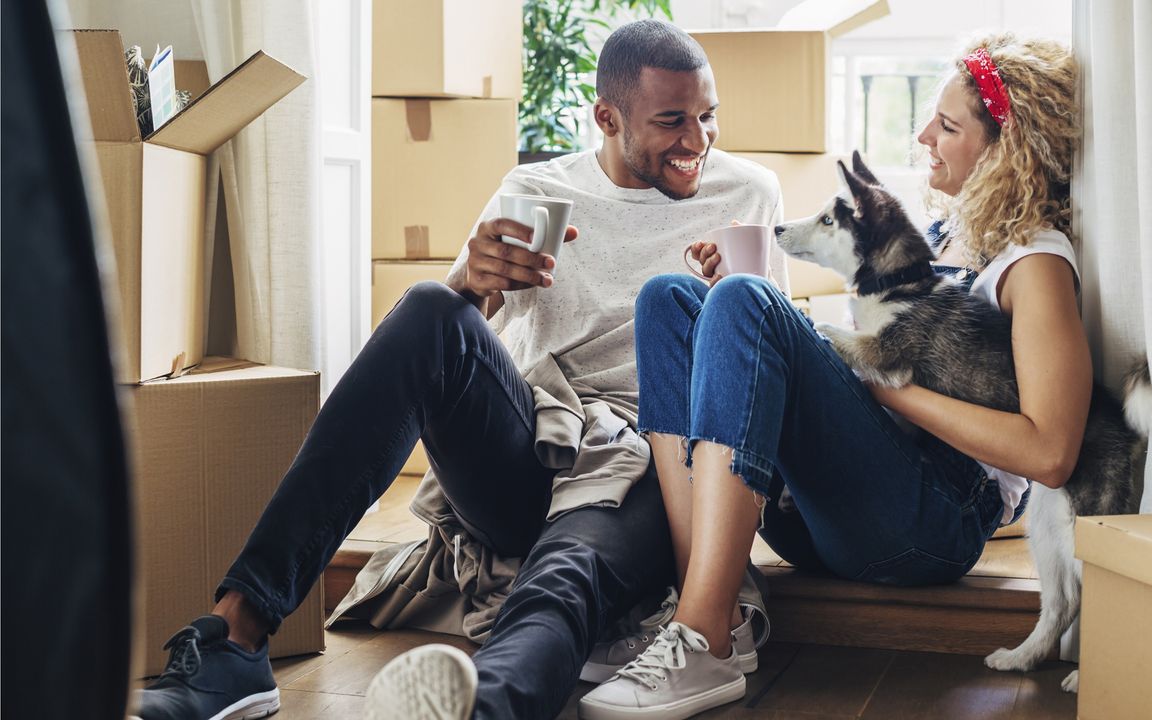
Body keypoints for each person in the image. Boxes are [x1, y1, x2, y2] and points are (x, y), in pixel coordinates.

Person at [132, 19, 787, 720]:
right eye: (672, 121)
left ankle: (483, 708)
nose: (697, 141)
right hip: (534, 448)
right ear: (607, 117)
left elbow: (758, 360)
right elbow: (447, 329)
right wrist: (471, 282)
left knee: (565, 571)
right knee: (427, 309)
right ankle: (236, 634)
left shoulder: (748, 193)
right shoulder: (537, 187)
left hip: (654, 464)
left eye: (707, 116)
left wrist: (727, 303)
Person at [578, 33, 1083, 719]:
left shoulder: (1035, 264)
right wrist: (750, 321)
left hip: (930, 519)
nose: (922, 133)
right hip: (832, 511)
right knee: (669, 298)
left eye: (949, 124)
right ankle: (707, 599)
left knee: (746, 301)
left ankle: (703, 636)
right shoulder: (942, 240)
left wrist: (883, 383)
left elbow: (1050, 452)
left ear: (1007, 150)